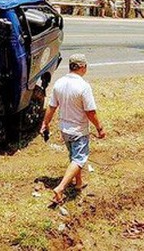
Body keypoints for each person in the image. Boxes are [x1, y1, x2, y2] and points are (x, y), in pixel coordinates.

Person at [40, 54, 106, 204]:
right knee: (79, 159)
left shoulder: (59, 83)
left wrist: (46, 123)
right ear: (83, 67)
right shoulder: (83, 86)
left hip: (64, 129)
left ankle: (78, 183)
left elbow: (52, 107)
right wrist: (99, 128)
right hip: (78, 130)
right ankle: (61, 188)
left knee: (73, 157)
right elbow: (90, 112)